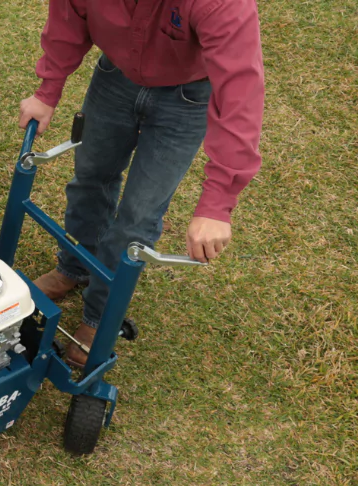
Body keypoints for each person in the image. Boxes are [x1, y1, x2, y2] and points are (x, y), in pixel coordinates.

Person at [19, 0, 264, 368]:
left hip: (188, 98)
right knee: (89, 180)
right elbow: (68, 20)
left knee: (138, 216)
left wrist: (217, 202)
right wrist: (47, 91)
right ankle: (75, 268)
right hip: (114, 78)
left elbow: (240, 95)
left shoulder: (222, 4)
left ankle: (99, 317)